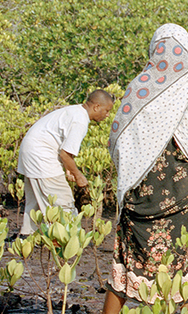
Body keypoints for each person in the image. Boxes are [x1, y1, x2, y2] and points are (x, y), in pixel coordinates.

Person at [96, 24, 188, 314]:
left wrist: (133, 175)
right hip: (187, 191)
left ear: (154, 49)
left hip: (142, 193)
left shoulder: (138, 87)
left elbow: (117, 139)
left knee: (129, 258)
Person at [17, 90, 115, 235]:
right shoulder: (80, 121)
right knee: (63, 201)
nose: (107, 115)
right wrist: (79, 175)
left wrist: (68, 169)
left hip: (30, 150)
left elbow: (63, 148)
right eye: (106, 111)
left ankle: (27, 236)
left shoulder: (75, 111)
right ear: (96, 107)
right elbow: (65, 154)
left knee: (36, 200)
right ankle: (71, 239)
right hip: (41, 155)